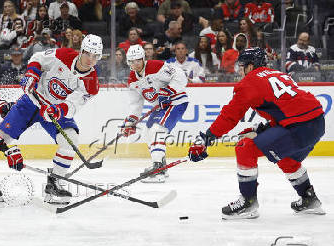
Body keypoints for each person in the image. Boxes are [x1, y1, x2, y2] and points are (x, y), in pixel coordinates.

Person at [188, 48, 325, 219]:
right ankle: (309, 199)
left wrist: (206, 138)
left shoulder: (249, 82)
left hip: (297, 126)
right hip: (316, 123)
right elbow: (288, 108)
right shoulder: (278, 74)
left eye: (243, 66)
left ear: (251, 66)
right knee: (286, 156)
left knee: (245, 146)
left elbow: (230, 116)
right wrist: (260, 130)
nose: (241, 70)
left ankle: (248, 202)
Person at [0, 34, 103, 205]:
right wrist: (32, 74)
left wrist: (59, 110)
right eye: (88, 53)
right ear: (81, 50)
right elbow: (38, 58)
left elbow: (74, 105)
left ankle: (54, 183)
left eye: (95, 56)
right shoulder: (63, 55)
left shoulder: (92, 83)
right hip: (32, 102)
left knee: (70, 141)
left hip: (55, 112)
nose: (91, 59)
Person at [122, 44, 188, 183]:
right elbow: (136, 104)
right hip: (160, 106)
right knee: (147, 132)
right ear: (128, 62)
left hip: (175, 102)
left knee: (157, 130)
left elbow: (181, 75)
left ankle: (157, 169)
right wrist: (130, 122)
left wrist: (169, 90)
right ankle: (161, 166)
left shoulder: (155, 66)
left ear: (143, 58)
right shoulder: (132, 80)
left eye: (138, 60)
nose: (136, 64)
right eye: (132, 61)